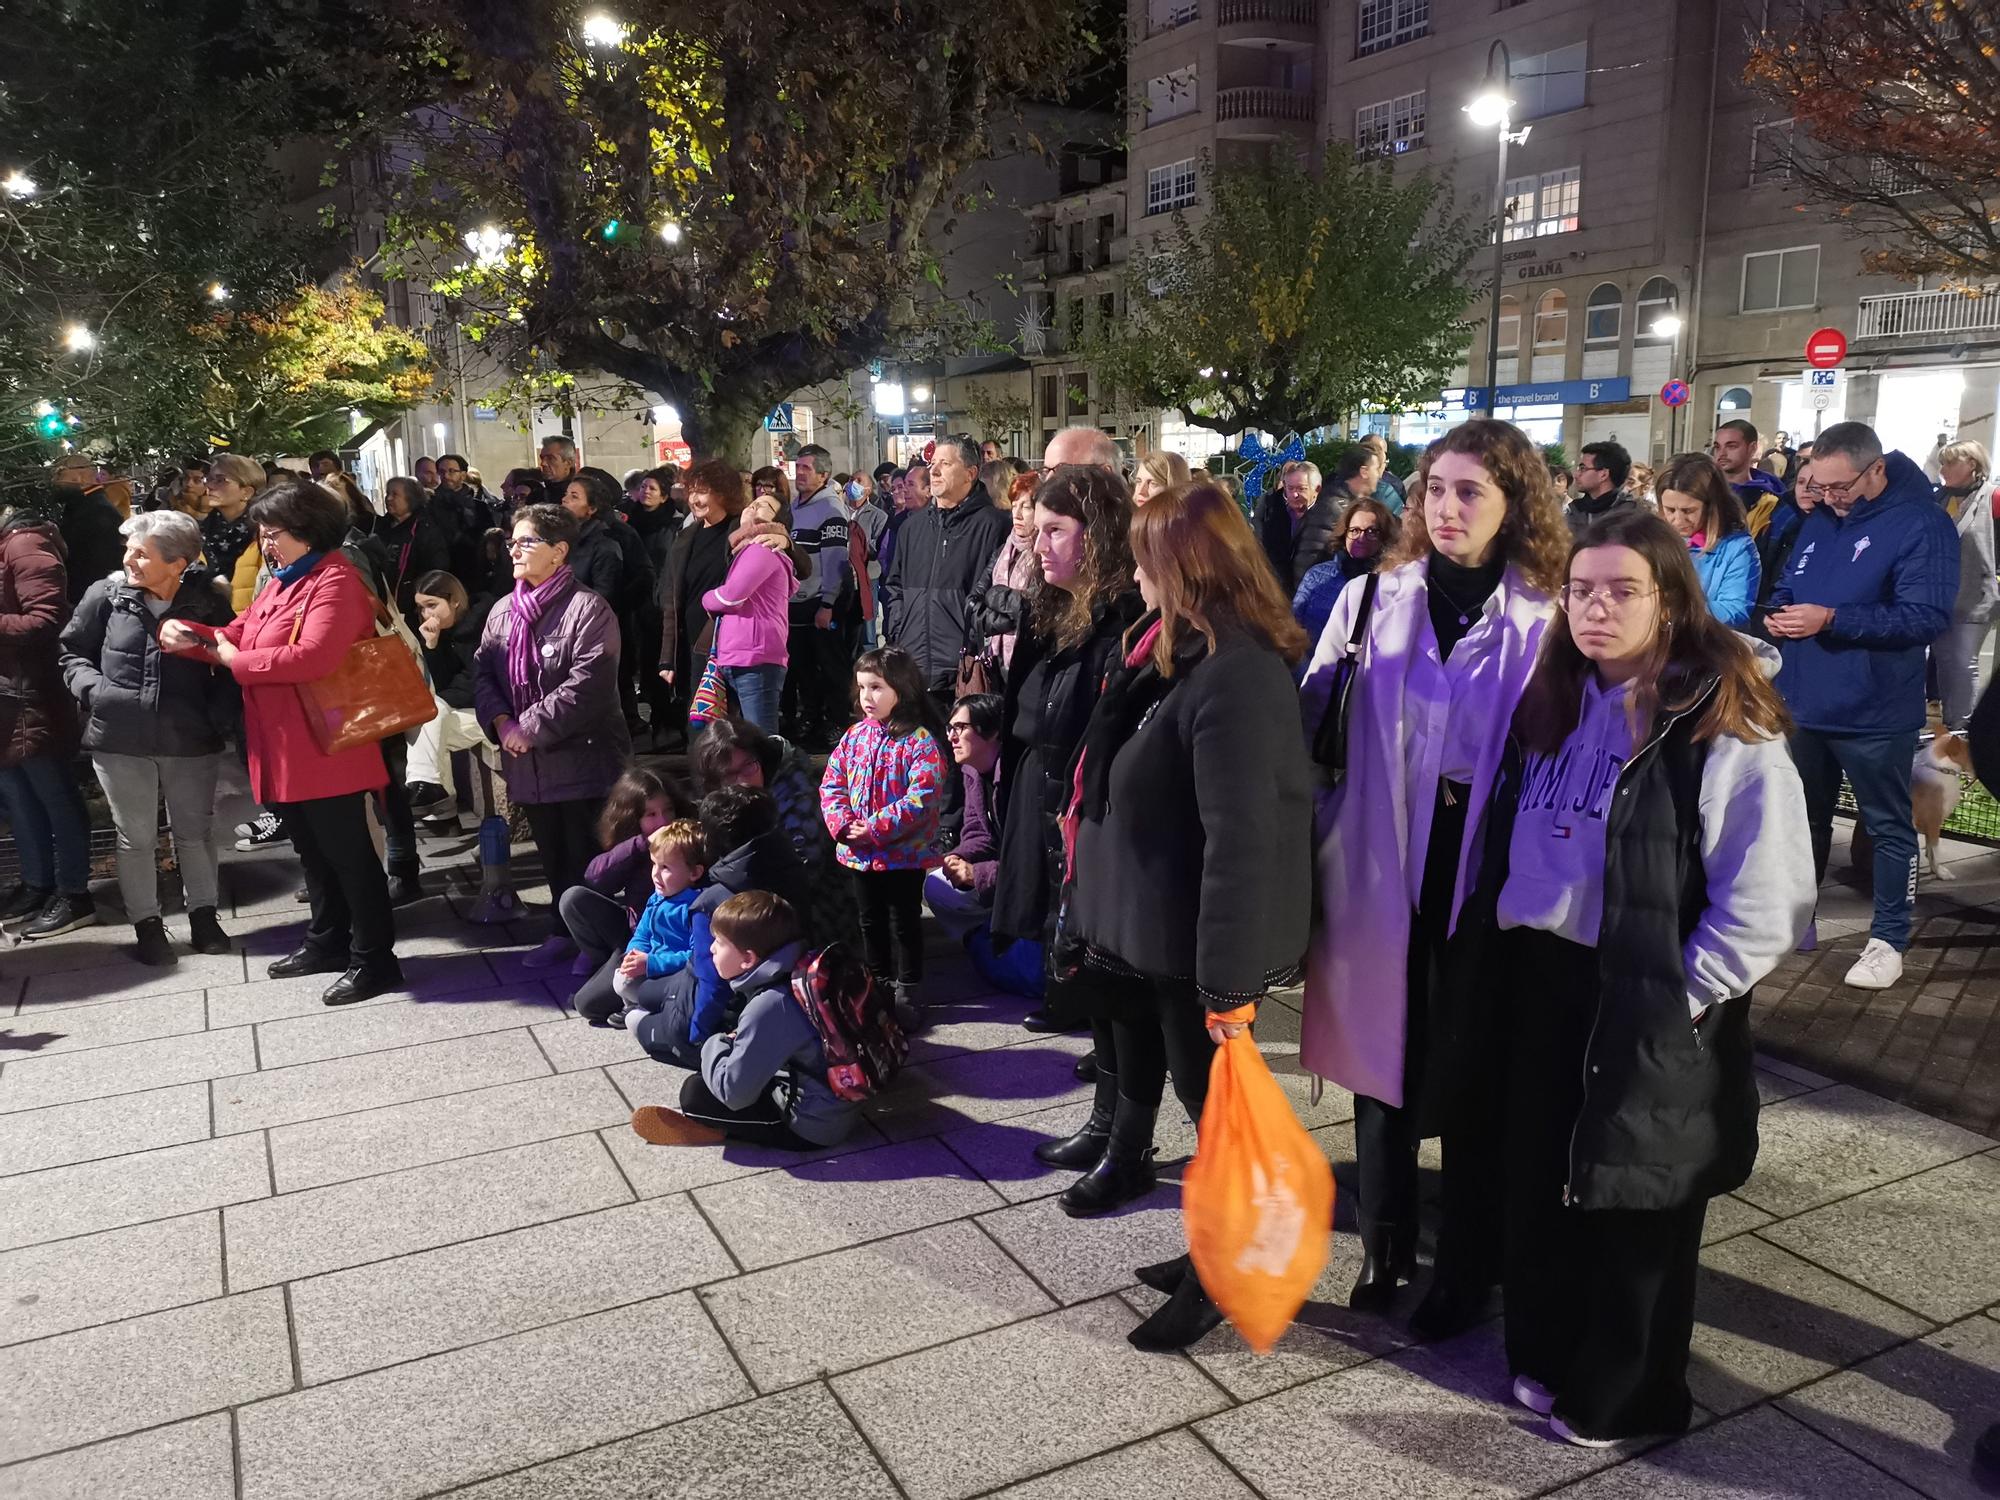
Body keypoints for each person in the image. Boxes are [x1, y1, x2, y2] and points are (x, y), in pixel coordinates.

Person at [1479, 510, 1813, 1445]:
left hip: (1652, 988)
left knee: (1644, 1201)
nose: (1595, 608)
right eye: (1581, 590)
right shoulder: (1555, 698)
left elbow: (1769, 896)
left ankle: (1630, 1395)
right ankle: (1549, 1355)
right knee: (1549, 1177)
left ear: (1670, 600)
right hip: (1546, 978)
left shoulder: (1718, 720)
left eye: (1622, 590)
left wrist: (1686, 992)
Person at [1299, 418, 1567, 1331]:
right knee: (1384, 1061)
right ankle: (1382, 1241)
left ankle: (1464, 1263)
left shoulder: (1547, 613)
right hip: (1380, 858)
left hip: (1484, 865)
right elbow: (1311, 727)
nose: (1448, 509)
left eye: (1471, 492)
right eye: (1436, 491)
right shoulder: (1374, 599)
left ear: (1513, 504)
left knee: (1473, 1061)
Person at [1059, 477, 1313, 1348]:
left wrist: (1230, 986)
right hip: (1168, 942)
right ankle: (1210, 1251)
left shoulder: (1239, 676)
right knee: (1201, 1108)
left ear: (1191, 568)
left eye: (1146, 566)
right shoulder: (1190, 655)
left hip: (1203, 952)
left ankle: (1225, 1271)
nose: (1136, 582)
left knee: (1219, 1118)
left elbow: (1242, 840)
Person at [162, 476, 403, 1003]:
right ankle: (328, 940)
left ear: (309, 530)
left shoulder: (334, 580)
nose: (266, 544)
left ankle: (374, 959)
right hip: (286, 744)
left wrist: (233, 659)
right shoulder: (285, 579)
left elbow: (312, 657)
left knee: (349, 855)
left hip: (327, 744)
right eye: (263, 534)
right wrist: (197, 637)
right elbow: (241, 632)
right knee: (312, 852)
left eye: (274, 533)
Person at [1767, 421, 1958, 989]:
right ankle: (1795, 920)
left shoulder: (1921, 523)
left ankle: (1888, 939)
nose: (1828, 499)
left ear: (1875, 468)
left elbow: (1926, 616)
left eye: (1838, 487)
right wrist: (1780, 610)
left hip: (1874, 709)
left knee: (1887, 825)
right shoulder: (1824, 517)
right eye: (1817, 487)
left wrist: (1832, 619)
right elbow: (1793, 581)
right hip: (1803, 701)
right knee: (1801, 822)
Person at [60, 511, 238, 965]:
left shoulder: (208, 599)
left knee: (194, 833)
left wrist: (216, 714)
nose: (130, 560)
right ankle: (147, 925)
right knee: (134, 837)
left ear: (178, 562)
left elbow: (234, 656)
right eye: (129, 550)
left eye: (142, 553)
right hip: (120, 737)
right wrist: (96, 693)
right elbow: (71, 650)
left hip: (190, 736)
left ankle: (204, 917)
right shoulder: (106, 594)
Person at [474, 503, 632, 968]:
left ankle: (597, 942)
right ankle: (562, 931)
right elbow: (484, 673)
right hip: (530, 762)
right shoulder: (505, 610)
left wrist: (530, 726)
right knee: (552, 854)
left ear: (559, 551)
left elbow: (589, 683)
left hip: (582, 757)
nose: (514, 551)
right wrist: (503, 723)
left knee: (588, 856)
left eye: (526, 542)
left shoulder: (588, 608)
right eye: (512, 542)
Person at [629, 891, 862, 1149]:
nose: (710, 948)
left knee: (696, 1093)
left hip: (813, 1124)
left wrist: (713, 1043)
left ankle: (716, 1129)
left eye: (718, 941)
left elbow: (733, 1094)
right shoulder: (802, 969)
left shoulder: (771, 1005)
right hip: (842, 1098)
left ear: (748, 958)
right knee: (730, 1063)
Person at [630, 783, 808, 1066]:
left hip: (730, 1011)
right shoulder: (795, 869)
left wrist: (695, 1037)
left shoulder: (713, 900)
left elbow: (712, 982)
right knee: (648, 994)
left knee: (636, 1018)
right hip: (794, 1002)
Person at [820, 646, 947, 1019]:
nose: (867, 697)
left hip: (902, 853)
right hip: (859, 852)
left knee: (905, 921)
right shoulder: (855, 736)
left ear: (902, 689)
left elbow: (922, 797)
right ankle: (878, 983)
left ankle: (908, 989)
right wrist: (843, 824)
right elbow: (832, 784)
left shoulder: (919, 741)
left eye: (876, 687)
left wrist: (874, 827)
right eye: (862, 688)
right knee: (869, 920)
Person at [0, 494, 94, 937]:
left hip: (31, 696)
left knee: (53, 795)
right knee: (21, 798)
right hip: (9, 696)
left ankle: (74, 893)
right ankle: (38, 884)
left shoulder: (23, 546)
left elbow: (49, 619)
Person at [690, 715, 855, 948]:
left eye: (748, 765)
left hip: (817, 909)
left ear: (761, 758)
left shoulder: (796, 790)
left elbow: (803, 870)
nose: (742, 780)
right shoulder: (721, 803)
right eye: (729, 774)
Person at [881, 435, 1012, 712]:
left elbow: (996, 596)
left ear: (971, 473)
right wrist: (898, 630)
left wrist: (974, 642)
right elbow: (893, 586)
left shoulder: (994, 526)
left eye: (946, 463)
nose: (935, 470)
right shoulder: (911, 528)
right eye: (933, 463)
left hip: (964, 672)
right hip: (913, 668)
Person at [567, 767, 688, 1021]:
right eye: (651, 814)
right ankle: (606, 968)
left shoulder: (686, 840)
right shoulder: (636, 844)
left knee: (587, 1004)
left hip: (665, 943)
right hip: (636, 932)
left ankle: (638, 998)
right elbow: (595, 877)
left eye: (668, 811)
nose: (663, 821)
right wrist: (642, 844)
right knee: (574, 899)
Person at [657, 460, 747, 745]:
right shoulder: (685, 537)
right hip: (692, 643)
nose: (695, 499)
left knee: (732, 725)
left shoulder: (742, 531)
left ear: (724, 493)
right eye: (691, 491)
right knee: (698, 722)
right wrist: (667, 657)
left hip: (730, 642)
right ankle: (704, 783)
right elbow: (671, 601)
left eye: (703, 491)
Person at [402, 570, 495, 822]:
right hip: (457, 709)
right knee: (429, 722)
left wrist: (442, 699)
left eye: (432, 605)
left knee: (431, 718)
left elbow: (479, 686)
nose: (426, 614)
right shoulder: (440, 632)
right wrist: (431, 646)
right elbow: (438, 684)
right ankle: (430, 789)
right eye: (421, 608)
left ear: (454, 600)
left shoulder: (483, 625)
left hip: (493, 713)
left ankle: (439, 809)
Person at [702, 494, 793, 732]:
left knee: (760, 738)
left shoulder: (761, 549)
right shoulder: (743, 548)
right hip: (740, 654)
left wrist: (707, 598)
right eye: (752, 502)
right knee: (740, 738)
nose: (752, 507)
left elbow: (731, 596)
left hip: (754, 655)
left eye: (763, 505)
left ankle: (781, 769)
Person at [780, 444, 851, 747]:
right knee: (803, 667)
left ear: (823, 475)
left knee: (830, 667)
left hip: (819, 602)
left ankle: (838, 722)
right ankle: (810, 717)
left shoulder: (831, 510)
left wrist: (828, 603)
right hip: (795, 603)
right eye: (798, 467)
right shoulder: (793, 508)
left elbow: (836, 561)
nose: (800, 473)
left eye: (807, 468)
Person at [611, 820, 707, 1024]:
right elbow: (643, 933)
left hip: (673, 975)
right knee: (621, 979)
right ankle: (632, 1007)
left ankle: (654, 1010)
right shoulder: (657, 897)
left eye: (665, 867)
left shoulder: (694, 908)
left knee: (630, 985)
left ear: (694, 873)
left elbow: (694, 956)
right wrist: (633, 953)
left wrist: (651, 963)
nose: (655, 873)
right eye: (654, 863)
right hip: (651, 965)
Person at [1934, 440, 1999, 732]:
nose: (1943, 469)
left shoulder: (1993, 498)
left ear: (1971, 465)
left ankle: (1962, 727)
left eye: (1949, 463)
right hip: (1941, 594)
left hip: (1977, 594)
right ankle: (1951, 723)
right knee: (1944, 660)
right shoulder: (1941, 499)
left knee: (1962, 661)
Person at [1654, 453, 1759, 628]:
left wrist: (1674, 609)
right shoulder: (1654, 538)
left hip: (1708, 646)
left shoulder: (1737, 548)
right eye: (1670, 510)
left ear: (1712, 506)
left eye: (1688, 511)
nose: (1678, 521)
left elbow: (1735, 609)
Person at [1292, 495, 1400, 645]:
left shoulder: (1390, 585)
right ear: (1344, 533)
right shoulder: (1317, 575)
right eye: (1354, 530)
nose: (1361, 538)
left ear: (1384, 537)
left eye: (1371, 532)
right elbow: (1294, 624)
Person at [972, 470, 1040, 674]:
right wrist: (1002, 621)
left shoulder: (1044, 553)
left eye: (1026, 507)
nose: (1017, 514)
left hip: (1029, 662)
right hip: (996, 661)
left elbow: (1035, 608)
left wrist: (995, 595)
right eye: (1014, 506)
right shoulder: (1004, 550)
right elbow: (974, 602)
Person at [371, 476, 452, 629]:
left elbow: (436, 569)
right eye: (387, 493)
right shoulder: (380, 527)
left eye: (395, 494)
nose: (388, 498)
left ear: (411, 498)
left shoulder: (425, 529)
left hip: (412, 609)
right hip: (383, 606)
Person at [50, 456, 129, 605]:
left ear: (80, 475)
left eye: (60, 473)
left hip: (90, 601)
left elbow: (99, 567)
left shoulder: (99, 511)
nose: (55, 481)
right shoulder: (80, 506)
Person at [199, 454, 262, 609]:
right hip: (209, 625)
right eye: (209, 479)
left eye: (220, 480)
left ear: (246, 492)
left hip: (253, 626)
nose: (210, 486)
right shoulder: (198, 532)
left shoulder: (266, 534)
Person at [1256, 460, 1324, 590]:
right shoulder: (1274, 512)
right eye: (1290, 488)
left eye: (1301, 488)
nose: (1294, 494)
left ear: (1317, 489)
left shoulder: (1326, 517)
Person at [1568, 442, 1643, 535]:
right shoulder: (1575, 510)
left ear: (1603, 474)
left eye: (1583, 468)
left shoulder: (1630, 515)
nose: (1576, 475)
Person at [1711, 418, 1786, 510]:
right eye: (1717, 447)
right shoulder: (1702, 489)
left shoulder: (1772, 494)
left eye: (1731, 446)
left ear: (1752, 448)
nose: (1721, 453)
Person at [1359, 433, 1407, 512]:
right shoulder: (1345, 484)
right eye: (1374, 450)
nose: (1380, 457)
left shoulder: (1394, 484)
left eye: (1383, 453)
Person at [537, 435, 579, 505]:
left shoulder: (579, 496)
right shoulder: (536, 495)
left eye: (551, 458)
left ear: (569, 463)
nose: (543, 463)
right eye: (542, 458)